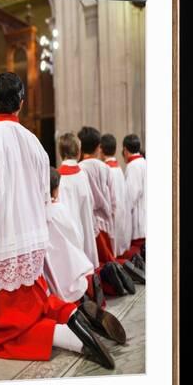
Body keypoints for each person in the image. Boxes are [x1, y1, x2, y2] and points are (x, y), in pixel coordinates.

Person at [0, 72, 114, 369]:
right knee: (35, 304)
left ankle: (68, 337)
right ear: (21, 103)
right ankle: (71, 314)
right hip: (30, 250)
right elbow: (45, 202)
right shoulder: (37, 146)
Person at [44, 168, 126, 345]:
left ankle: (80, 319)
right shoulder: (60, 209)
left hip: (52, 280)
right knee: (82, 273)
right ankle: (94, 299)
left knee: (57, 298)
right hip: (72, 269)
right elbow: (76, 236)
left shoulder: (37, 214)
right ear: (57, 189)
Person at [77, 127, 136, 296]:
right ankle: (116, 282)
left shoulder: (80, 168)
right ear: (98, 147)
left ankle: (104, 287)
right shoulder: (105, 168)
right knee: (107, 259)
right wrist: (112, 217)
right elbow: (113, 198)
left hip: (89, 222)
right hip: (106, 221)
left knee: (94, 261)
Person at [57, 132, 99, 270]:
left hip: (64, 232)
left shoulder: (56, 177)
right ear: (79, 152)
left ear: (60, 152)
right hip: (82, 225)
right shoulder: (82, 174)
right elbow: (90, 202)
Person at [99, 133, 131, 257]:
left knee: (113, 250)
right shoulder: (118, 168)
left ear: (101, 149)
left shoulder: (105, 170)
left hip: (111, 213)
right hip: (121, 212)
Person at [122, 134, 146, 255]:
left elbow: (130, 197)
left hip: (139, 226)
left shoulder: (133, 166)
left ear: (125, 150)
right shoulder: (143, 162)